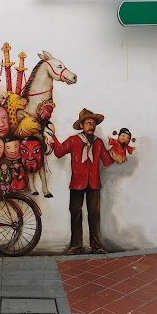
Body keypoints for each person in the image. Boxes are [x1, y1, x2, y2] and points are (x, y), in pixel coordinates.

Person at [53, 108, 114, 255]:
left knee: (94, 214)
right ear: (82, 125)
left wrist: (119, 148)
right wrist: (51, 137)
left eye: (93, 123)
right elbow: (59, 152)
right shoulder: (73, 140)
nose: (91, 126)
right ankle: (76, 246)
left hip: (94, 183)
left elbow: (106, 162)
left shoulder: (99, 143)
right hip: (77, 183)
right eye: (88, 123)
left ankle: (96, 246)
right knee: (75, 213)